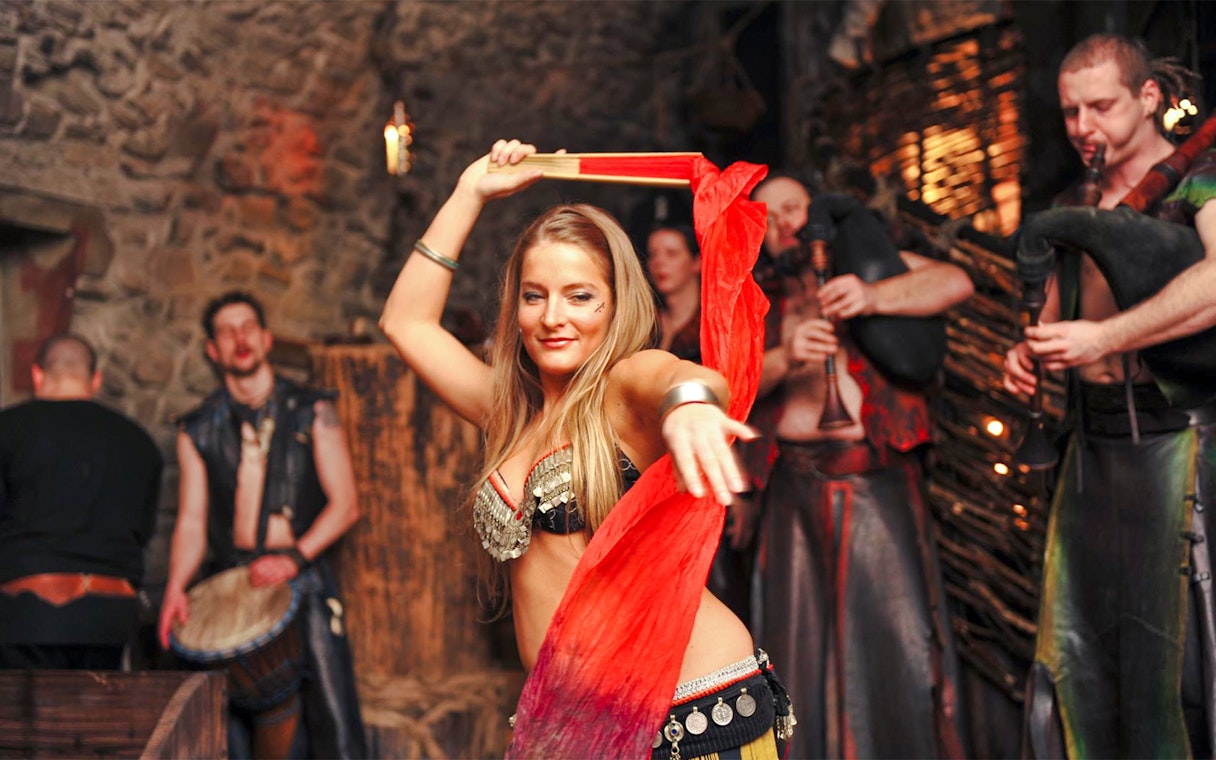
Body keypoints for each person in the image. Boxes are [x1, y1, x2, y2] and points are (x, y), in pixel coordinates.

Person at [380, 139, 790, 759]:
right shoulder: (510, 412)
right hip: (576, 715)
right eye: (534, 295)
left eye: (579, 296)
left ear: (614, 303)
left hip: (689, 706)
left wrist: (689, 406)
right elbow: (406, 322)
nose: (553, 317)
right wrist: (471, 192)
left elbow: (684, 376)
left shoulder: (621, 391)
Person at [1003, 33, 1216, 758]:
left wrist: (1105, 339)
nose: (1082, 127)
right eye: (1069, 112)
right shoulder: (1075, 200)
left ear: (1148, 98)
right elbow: (1058, 315)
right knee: (1084, 649)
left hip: (1178, 444)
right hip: (1090, 452)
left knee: (1181, 654)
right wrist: (1027, 353)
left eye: (1100, 106)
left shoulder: (1199, 178)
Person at [751, 174, 974, 759]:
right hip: (791, 485)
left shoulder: (859, 260)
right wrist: (785, 355)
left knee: (896, 636)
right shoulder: (754, 298)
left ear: (816, 211)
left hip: (873, 476)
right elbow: (724, 386)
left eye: (792, 210)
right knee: (794, 645)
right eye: (767, 220)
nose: (784, 226)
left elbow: (955, 281)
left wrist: (873, 297)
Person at [157, 291, 365, 760]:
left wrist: (294, 558)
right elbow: (190, 520)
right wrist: (175, 587)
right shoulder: (197, 427)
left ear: (266, 338)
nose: (240, 338)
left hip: (303, 575)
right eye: (227, 332)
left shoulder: (314, 409)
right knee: (224, 731)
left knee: (331, 719)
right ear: (213, 350)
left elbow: (346, 505)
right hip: (233, 579)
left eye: (248, 326)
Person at [0, 334, 162, 670]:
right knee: (99, 723)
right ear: (96, 380)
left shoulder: (6, 429)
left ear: (37, 375)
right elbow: (143, 534)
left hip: (24, 616)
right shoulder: (140, 443)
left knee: (22, 724)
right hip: (111, 620)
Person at [646, 221, 755, 622]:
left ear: (695, 262)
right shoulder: (649, 323)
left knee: (714, 584)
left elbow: (733, 404)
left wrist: (737, 489)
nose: (660, 263)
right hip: (654, 471)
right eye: (654, 254)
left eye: (671, 253)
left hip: (708, 471)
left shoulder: (712, 326)